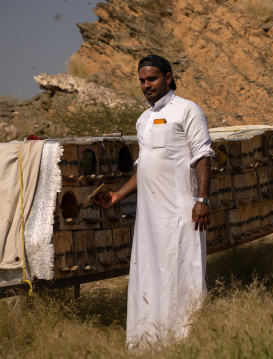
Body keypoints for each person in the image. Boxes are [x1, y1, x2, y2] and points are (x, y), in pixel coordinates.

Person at [94, 54, 213, 348]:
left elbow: (203, 157)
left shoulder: (188, 110)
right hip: (149, 218)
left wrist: (202, 200)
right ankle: (149, 340)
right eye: (142, 81)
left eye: (152, 78)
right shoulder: (143, 120)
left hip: (181, 213)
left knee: (181, 272)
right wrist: (117, 195)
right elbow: (143, 166)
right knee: (149, 273)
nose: (146, 85)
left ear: (168, 77)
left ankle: (184, 340)